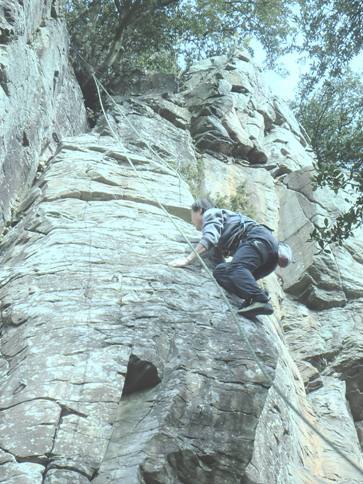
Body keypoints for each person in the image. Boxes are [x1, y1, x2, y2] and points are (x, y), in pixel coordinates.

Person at [169, 198, 279, 316]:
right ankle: (254, 298)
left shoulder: (210, 213)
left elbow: (210, 237)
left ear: (200, 210)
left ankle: (260, 299)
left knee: (235, 268)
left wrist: (187, 260)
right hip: (270, 256)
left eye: (192, 214)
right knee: (221, 272)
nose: (192, 221)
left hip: (257, 239)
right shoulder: (226, 224)